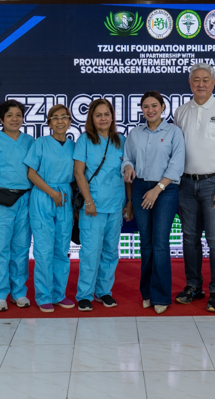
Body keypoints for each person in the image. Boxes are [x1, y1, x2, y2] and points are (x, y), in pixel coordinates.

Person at [174, 63, 215, 313]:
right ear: (189, 83)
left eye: (206, 79)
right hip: (185, 183)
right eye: (196, 79)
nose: (200, 83)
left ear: (214, 83)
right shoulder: (180, 112)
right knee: (190, 238)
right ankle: (193, 286)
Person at [123, 91, 185, 314]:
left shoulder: (173, 132)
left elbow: (177, 165)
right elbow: (128, 158)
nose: (150, 110)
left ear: (162, 107)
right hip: (140, 187)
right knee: (146, 244)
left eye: (154, 106)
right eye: (146, 106)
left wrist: (157, 190)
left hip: (165, 190)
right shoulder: (135, 133)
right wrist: (128, 167)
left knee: (160, 243)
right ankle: (147, 293)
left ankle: (161, 296)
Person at [74, 99, 132, 311]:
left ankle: (104, 292)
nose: (103, 118)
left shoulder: (121, 141)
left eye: (106, 114)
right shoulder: (85, 140)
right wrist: (88, 201)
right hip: (93, 206)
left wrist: (129, 202)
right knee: (90, 252)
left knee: (110, 251)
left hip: (115, 205)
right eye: (98, 115)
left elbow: (127, 174)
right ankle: (85, 294)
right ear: (91, 118)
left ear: (112, 117)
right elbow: (79, 172)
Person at [0, 100, 35, 311]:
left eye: (18, 115)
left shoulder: (30, 142)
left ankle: (19, 292)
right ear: (1, 119)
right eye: (10, 115)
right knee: (0, 250)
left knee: (21, 249)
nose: (15, 119)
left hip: (25, 200)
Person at [24, 104, 76, 312]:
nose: (60, 121)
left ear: (70, 121)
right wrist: (52, 193)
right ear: (49, 123)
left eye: (64, 117)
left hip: (65, 197)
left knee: (62, 249)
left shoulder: (74, 146)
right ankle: (44, 295)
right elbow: (31, 173)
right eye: (55, 118)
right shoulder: (41, 144)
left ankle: (58, 294)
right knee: (44, 249)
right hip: (43, 196)